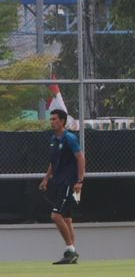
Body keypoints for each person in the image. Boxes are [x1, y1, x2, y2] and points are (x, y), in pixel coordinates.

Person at [39, 109, 85, 265]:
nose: (52, 121)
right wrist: (46, 178)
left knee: (56, 216)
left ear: (63, 121)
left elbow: (80, 158)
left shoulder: (69, 138)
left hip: (68, 183)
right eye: (51, 119)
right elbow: (54, 161)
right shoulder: (53, 138)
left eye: (55, 119)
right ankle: (72, 254)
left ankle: (70, 250)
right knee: (67, 218)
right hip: (57, 182)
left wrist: (79, 181)